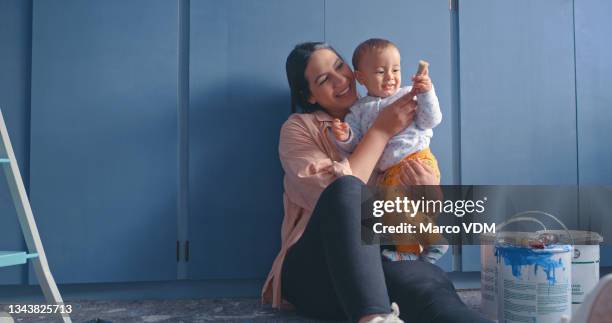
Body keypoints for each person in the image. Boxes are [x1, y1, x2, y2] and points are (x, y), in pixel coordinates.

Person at [261, 42, 490, 323]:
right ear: (310, 95)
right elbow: (337, 202)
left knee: (428, 285)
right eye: (323, 79)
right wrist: (381, 130)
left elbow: (412, 213)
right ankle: (374, 317)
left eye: (339, 66)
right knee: (346, 187)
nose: (340, 80)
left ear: (355, 72)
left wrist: (429, 196)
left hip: (384, 260)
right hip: (317, 272)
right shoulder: (298, 128)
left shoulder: (392, 116)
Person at [330, 38, 447, 264]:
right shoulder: (358, 110)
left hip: (418, 160)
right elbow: (357, 146)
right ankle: (410, 251)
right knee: (391, 209)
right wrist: (344, 136)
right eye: (380, 72)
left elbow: (431, 120)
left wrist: (427, 93)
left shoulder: (407, 94)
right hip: (389, 172)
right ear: (361, 78)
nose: (390, 77)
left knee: (399, 205)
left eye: (395, 69)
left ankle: (431, 240)